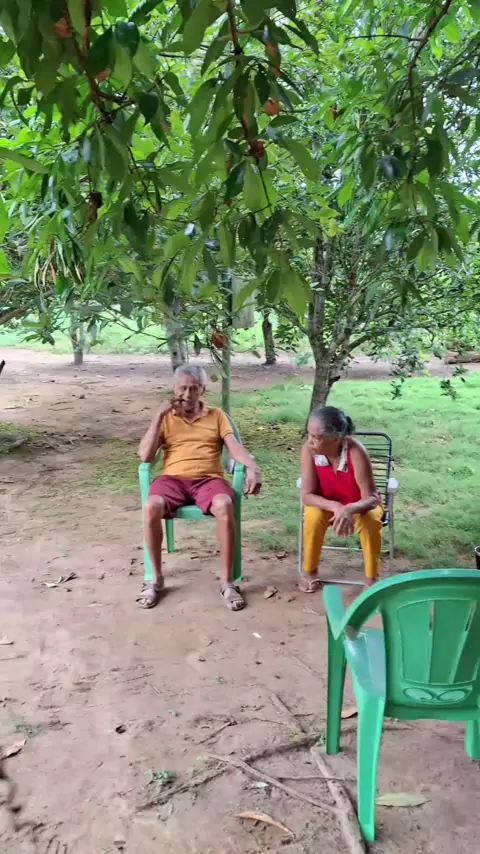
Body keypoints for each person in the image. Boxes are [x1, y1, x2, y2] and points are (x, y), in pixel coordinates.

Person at [138, 365, 262, 611]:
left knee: (224, 504)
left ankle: (227, 582)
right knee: (152, 506)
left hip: (208, 479)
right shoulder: (166, 418)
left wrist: (252, 467)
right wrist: (158, 417)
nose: (187, 394)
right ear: (174, 388)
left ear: (203, 390)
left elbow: (234, 446)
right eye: (182, 388)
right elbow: (145, 456)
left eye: (194, 389)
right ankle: (156, 579)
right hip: (172, 479)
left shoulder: (217, 416)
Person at [300, 405, 383, 590]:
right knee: (313, 517)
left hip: (360, 505)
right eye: (309, 434)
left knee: (370, 520)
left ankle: (372, 578)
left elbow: (371, 498)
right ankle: (309, 571)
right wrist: (336, 507)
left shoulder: (356, 451)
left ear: (336, 438)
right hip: (327, 503)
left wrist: (349, 509)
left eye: (316, 437)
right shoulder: (309, 450)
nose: (310, 441)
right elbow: (307, 495)